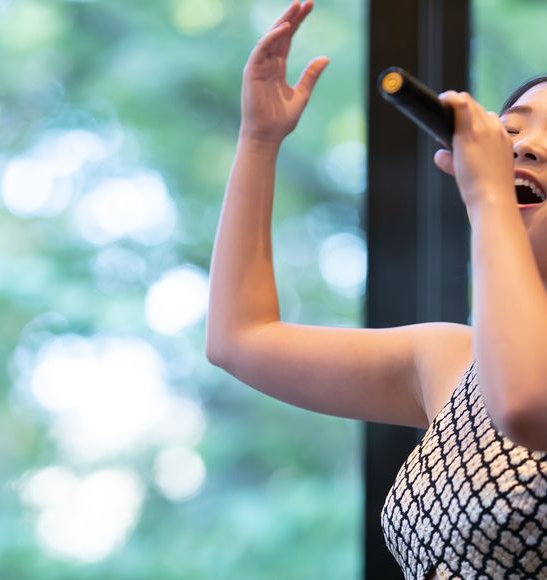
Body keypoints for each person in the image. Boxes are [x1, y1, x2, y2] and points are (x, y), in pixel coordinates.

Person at [205, 0, 547, 577]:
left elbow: (524, 405)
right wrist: (259, 140)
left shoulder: (516, 383)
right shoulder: (451, 360)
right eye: (510, 129)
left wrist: (489, 195)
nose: (522, 145)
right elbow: (239, 339)